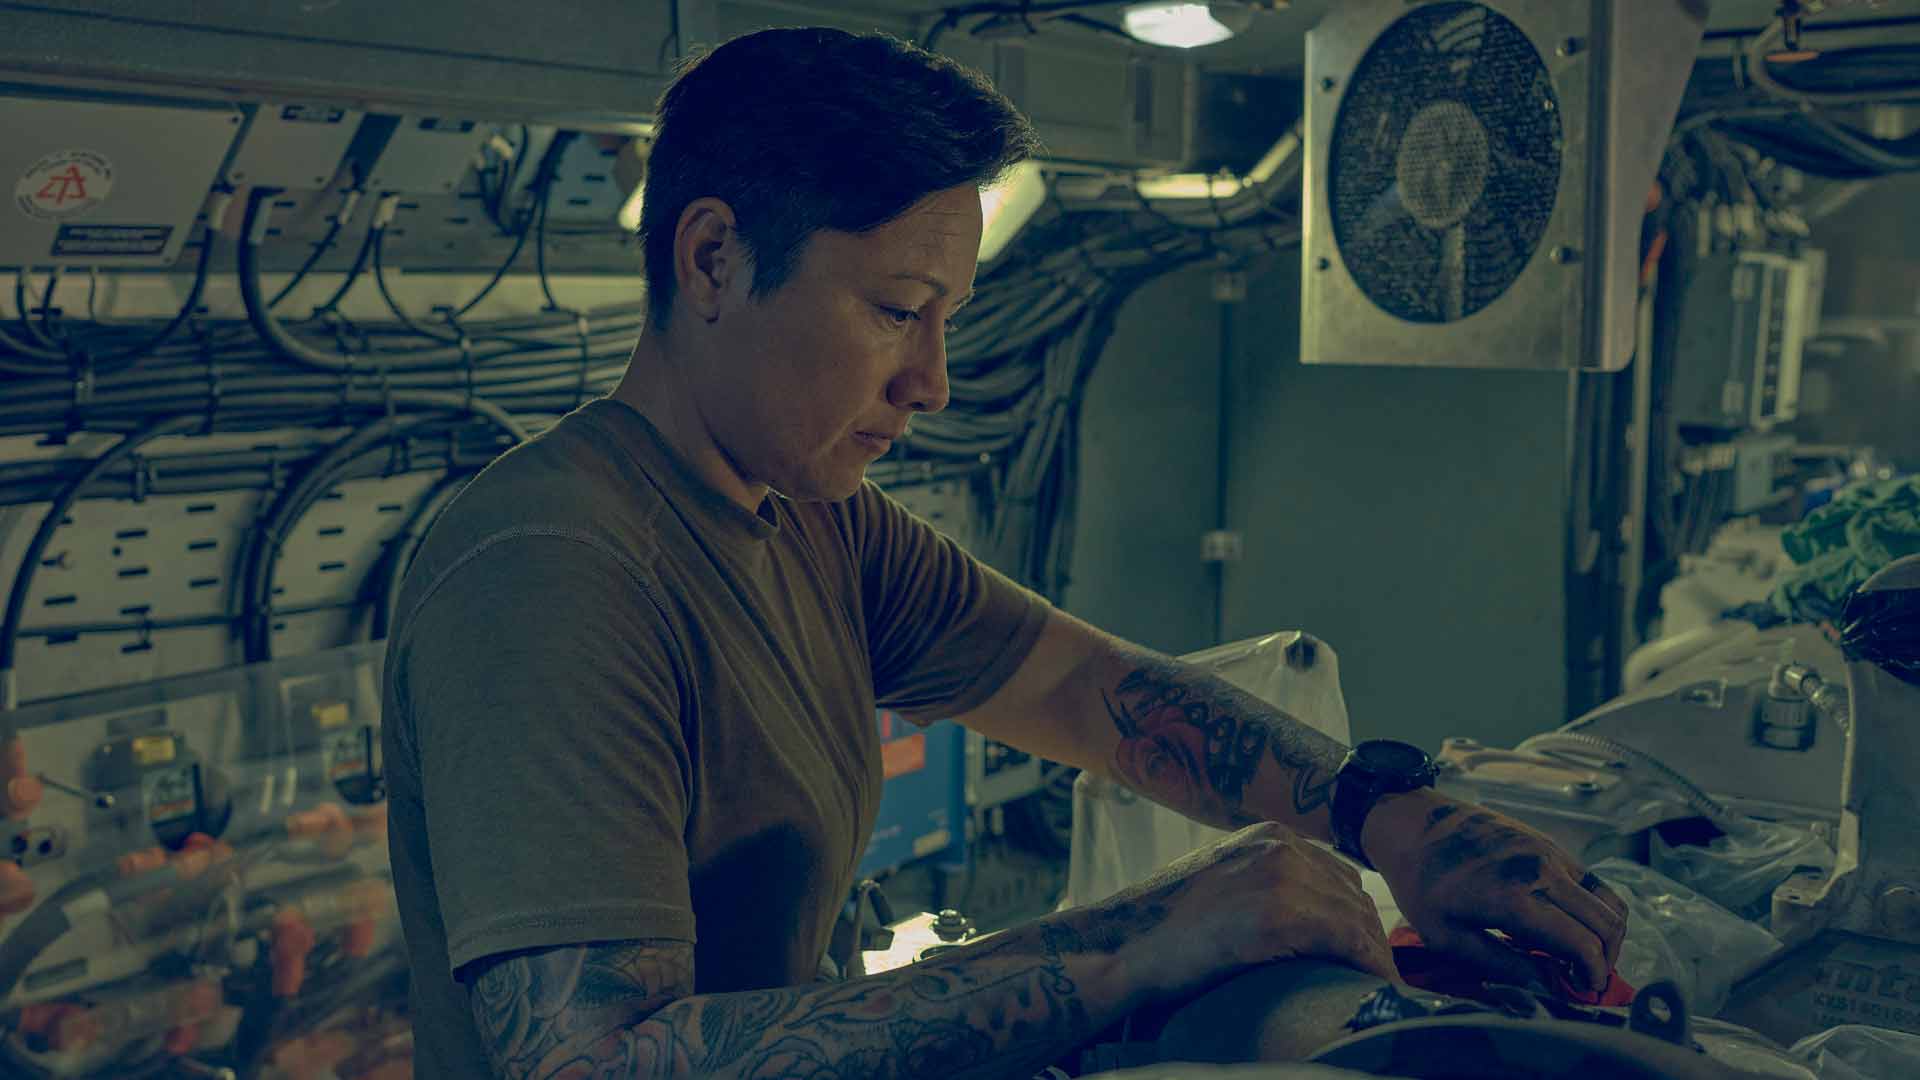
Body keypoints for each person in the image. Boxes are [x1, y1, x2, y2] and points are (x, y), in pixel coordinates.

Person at [381, 26, 1628, 1080]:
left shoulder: (810, 514)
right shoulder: (550, 573)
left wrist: (1389, 816)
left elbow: (1082, 688)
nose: (929, 382)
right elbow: (593, 1062)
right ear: (711, 257)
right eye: (894, 312)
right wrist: (1142, 937)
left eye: (947, 322)